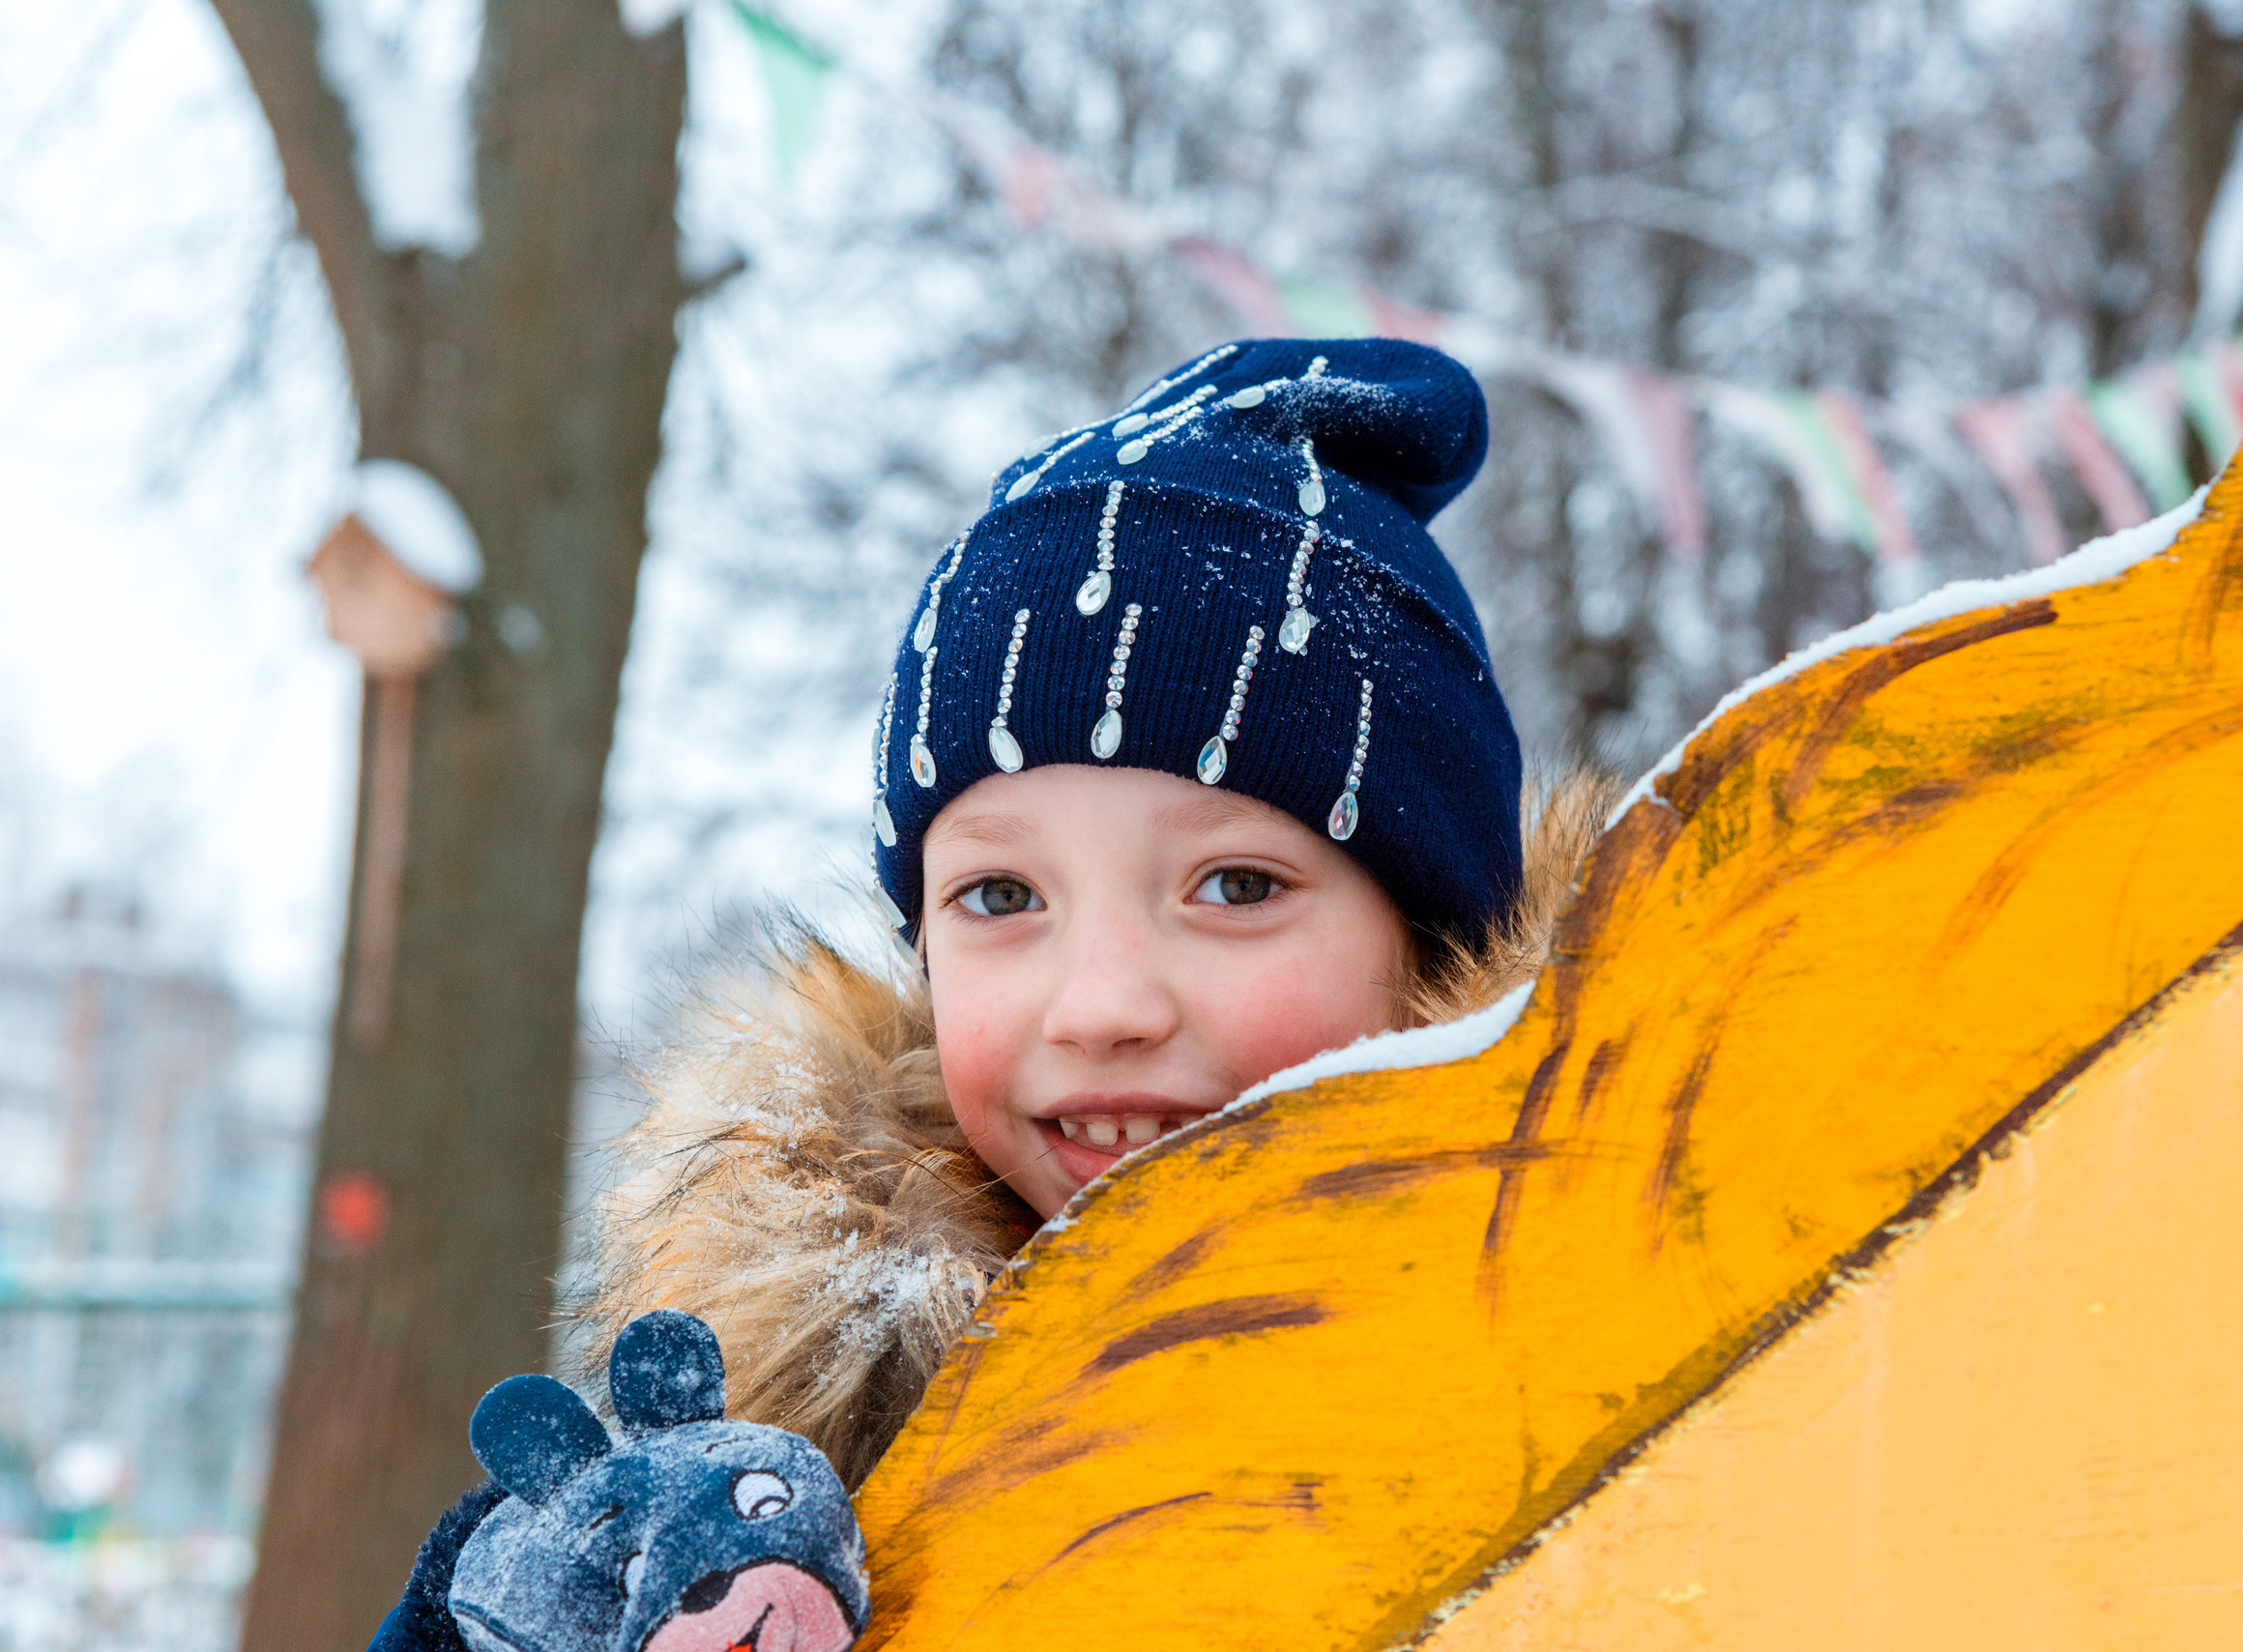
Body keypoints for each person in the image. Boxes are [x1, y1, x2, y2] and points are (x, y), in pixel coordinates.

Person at [373, 335, 1605, 1646]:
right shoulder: (767, 1482)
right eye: (1003, 898)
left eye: (1235, 886)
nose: (1102, 1004)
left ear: (1433, 943)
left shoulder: (1637, 1374)